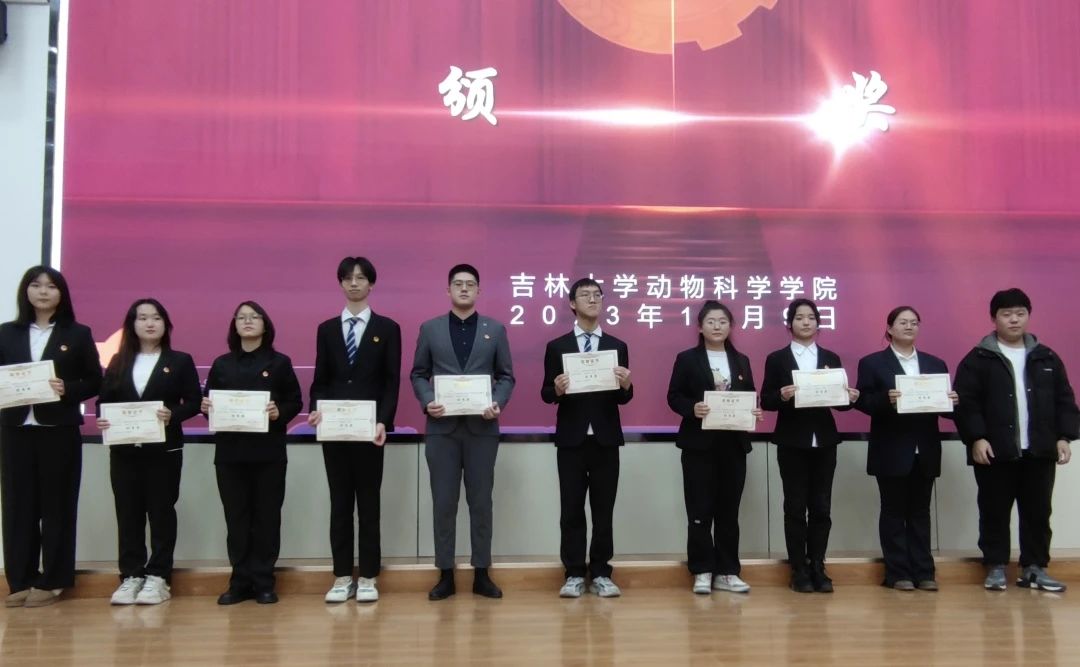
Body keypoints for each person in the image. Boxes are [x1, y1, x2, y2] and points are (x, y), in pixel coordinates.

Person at [955, 288, 1078, 592]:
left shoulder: (1046, 357)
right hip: (995, 451)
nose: (1014, 320)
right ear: (994, 318)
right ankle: (996, 566)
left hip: (1040, 449)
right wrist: (976, 438)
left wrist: (1064, 437)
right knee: (994, 511)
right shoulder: (978, 358)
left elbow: (1064, 399)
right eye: (1006, 314)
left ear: (1028, 316)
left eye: (1020, 313)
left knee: (1038, 512)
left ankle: (1034, 568)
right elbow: (967, 403)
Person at [410, 264, 514, 600]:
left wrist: (497, 402)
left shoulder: (495, 329)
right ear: (448, 290)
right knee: (444, 503)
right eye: (458, 284)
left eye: (470, 284)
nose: (464, 288)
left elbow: (506, 376)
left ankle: (482, 573)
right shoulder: (430, 329)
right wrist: (428, 401)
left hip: (482, 428)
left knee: (481, 502)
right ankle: (445, 574)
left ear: (479, 291)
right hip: (442, 430)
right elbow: (418, 373)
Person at [0, 266, 101, 608]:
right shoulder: (6, 333)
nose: (43, 291)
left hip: (59, 431)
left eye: (51, 286)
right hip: (15, 430)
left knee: (57, 506)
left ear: (61, 293)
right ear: (25, 291)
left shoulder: (78, 333)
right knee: (18, 506)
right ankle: (20, 580)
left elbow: (94, 381)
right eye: (36, 285)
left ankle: (54, 579)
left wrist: (67, 388)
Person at [308, 257, 401, 603]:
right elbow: (320, 380)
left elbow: (390, 382)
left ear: (371, 284)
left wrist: (384, 421)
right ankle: (342, 575)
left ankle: (369, 577)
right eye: (347, 278)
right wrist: (315, 409)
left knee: (369, 504)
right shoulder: (327, 329)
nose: (354, 283)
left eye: (361, 278)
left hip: (370, 431)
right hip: (334, 431)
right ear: (341, 284)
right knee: (340, 504)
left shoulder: (387, 328)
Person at [96, 298, 201, 605]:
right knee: (128, 513)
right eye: (142, 318)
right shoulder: (119, 361)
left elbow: (193, 402)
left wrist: (173, 414)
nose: (149, 323)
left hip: (164, 450)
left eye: (156, 317)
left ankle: (158, 577)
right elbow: (104, 402)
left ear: (166, 324)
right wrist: (103, 418)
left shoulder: (179, 360)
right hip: (125, 451)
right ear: (132, 325)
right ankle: (131, 576)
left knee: (161, 512)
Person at [202, 301, 302, 605]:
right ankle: (239, 581)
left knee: (267, 519)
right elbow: (209, 405)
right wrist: (206, 408)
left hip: (268, 453)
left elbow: (295, 401)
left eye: (254, 317)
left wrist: (278, 412)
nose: (247, 321)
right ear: (234, 325)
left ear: (264, 324)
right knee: (236, 519)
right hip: (230, 454)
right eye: (241, 317)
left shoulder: (280, 363)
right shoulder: (221, 364)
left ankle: (264, 581)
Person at [541, 278, 632, 599]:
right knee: (571, 510)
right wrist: (557, 389)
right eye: (585, 295)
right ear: (572, 303)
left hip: (606, 440)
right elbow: (546, 393)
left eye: (597, 295)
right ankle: (574, 573)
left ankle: (603, 572)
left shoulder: (617, 345)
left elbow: (624, 398)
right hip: (572, 440)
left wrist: (626, 385)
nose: (593, 300)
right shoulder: (558, 346)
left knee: (604, 511)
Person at [855, 306, 957, 591]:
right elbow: (862, 402)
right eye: (903, 322)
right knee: (893, 512)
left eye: (914, 322)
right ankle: (897, 573)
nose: (909, 327)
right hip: (891, 448)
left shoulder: (935, 363)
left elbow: (944, 410)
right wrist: (886, 399)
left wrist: (952, 402)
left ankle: (924, 572)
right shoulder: (872, 363)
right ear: (889, 328)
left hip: (925, 448)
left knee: (920, 513)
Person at [760, 298, 858, 593]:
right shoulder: (777, 358)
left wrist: (850, 397)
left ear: (818, 323)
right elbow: (767, 400)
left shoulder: (830, 356)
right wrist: (782, 395)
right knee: (794, 507)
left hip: (824, 440)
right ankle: (798, 568)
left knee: (821, 507)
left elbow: (840, 405)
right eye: (799, 317)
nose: (806, 322)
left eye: (811, 317)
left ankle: (818, 565)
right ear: (789, 324)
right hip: (791, 440)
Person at [667, 300, 761, 595]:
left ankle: (728, 571)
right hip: (698, 445)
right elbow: (674, 396)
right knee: (699, 511)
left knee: (728, 512)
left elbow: (749, 395)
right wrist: (691, 408)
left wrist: (753, 412)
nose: (717, 326)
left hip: (733, 445)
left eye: (722, 321)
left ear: (730, 326)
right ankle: (702, 570)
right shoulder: (687, 359)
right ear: (700, 327)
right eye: (711, 321)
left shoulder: (741, 360)